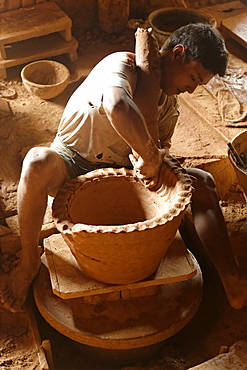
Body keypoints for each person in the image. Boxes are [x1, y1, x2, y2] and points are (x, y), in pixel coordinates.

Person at [0, 23, 246, 313]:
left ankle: (233, 281)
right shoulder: (122, 64)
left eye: (199, 84)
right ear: (177, 53)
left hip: (123, 173)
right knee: (37, 161)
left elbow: (155, 153)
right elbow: (117, 105)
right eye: (193, 77)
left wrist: (159, 165)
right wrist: (149, 153)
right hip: (72, 162)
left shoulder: (168, 106)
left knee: (202, 182)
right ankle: (28, 263)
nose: (192, 89)